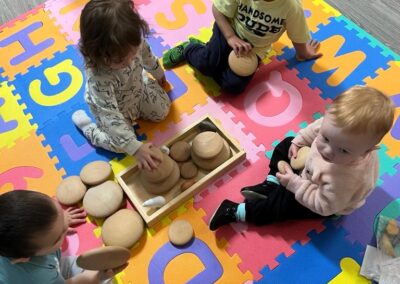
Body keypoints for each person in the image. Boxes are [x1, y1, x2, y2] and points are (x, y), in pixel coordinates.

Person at [209, 86, 395, 230]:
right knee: (287, 144)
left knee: (281, 206)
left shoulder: (347, 179)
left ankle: (237, 211)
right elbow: (315, 129)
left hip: (322, 199)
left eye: (343, 151)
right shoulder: (339, 130)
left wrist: (295, 184)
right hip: (310, 170)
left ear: (366, 151)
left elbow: (324, 205)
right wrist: (299, 142)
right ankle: (272, 183)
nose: (328, 150)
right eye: (326, 138)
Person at [72, 0, 171, 170]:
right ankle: (90, 130)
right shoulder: (98, 77)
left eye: (132, 54)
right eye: (119, 60)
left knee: (163, 110)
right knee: (122, 146)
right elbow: (110, 115)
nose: (129, 61)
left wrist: (158, 73)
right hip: (112, 110)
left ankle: (145, 87)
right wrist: (136, 148)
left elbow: (147, 57)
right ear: (96, 53)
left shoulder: (134, 43)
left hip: (137, 90)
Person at [162, 0, 322, 94]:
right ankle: (190, 48)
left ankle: (218, 63)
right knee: (206, 64)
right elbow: (218, 10)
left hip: (254, 49)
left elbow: (297, 36)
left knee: (233, 87)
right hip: (228, 31)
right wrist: (230, 37)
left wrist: (304, 53)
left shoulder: (291, 7)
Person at [0, 190, 126, 283]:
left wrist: (59, 220)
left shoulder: (19, 233)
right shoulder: (39, 276)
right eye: (58, 236)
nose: (65, 226)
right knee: (105, 278)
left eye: (59, 211)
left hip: (50, 266)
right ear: (24, 258)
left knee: (93, 265)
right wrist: (98, 277)